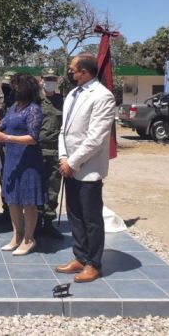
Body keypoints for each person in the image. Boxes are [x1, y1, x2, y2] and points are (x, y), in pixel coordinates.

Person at [55, 53, 116, 283]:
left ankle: (93, 264)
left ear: (85, 72)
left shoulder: (103, 96)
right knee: (75, 216)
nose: (69, 73)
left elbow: (96, 138)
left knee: (91, 219)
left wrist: (72, 162)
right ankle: (80, 257)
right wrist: (63, 158)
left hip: (87, 169)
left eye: (72, 69)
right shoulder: (72, 93)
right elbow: (65, 130)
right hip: (68, 166)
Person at [0, 73, 45, 255]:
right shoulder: (13, 108)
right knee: (12, 200)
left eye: (15, 86)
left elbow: (33, 138)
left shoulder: (33, 109)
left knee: (28, 202)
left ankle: (29, 239)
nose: (12, 89)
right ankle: (17, 236)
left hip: (28, 162)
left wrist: (7, 138)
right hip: (12, 160)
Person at [37, 68, 64, 240]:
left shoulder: (62, 101)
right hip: (38, 149)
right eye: (47, 78)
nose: (50, 81)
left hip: (56, 150)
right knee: (37, 186)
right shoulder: (35, 100)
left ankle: (48, 222)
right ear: (41, 80)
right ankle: (35, 222)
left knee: (53, 187)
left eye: (53, 78)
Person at [0, 70, 16, 225]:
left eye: (9, 83)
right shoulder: (6, 100)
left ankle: (15, 214)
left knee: (15, 179)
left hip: (16, 145)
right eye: (4, 83)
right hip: (4, 146)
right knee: (4, 179)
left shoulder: (21, 100)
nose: (6, 86)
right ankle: (7, 211)